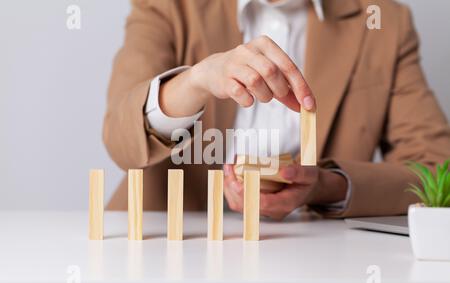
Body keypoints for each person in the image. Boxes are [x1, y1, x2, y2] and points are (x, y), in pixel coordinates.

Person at [103, 0, 450, 219]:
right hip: (164, 253)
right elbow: (120, 138)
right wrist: (195, 81)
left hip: (316, 262)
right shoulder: (169, 6)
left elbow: (438, 170)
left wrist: (326, 186)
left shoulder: (383, 22)